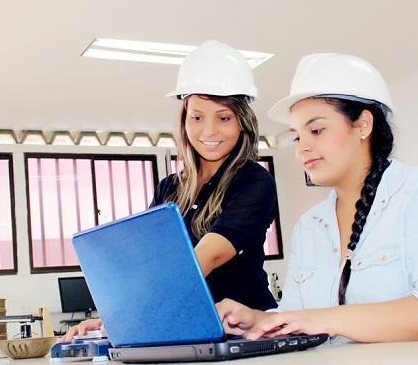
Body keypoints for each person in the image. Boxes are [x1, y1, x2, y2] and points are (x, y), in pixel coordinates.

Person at [217, 53, 418, 343]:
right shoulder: (309, 227)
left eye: (317, 130)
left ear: (363, 125)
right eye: (298, 136)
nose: (302, 148)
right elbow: (296, 314)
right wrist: (260, 321)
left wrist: (323, 319)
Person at [63, 40, 279, 341]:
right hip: (185, 327)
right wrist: (107, 320)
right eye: (197, 117)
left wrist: (124, 314)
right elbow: (152, 264)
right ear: (184, 120)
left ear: (242, 123)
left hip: (245, 331)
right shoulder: (169, 188)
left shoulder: (254, 182)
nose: (209, 131)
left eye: (224, 117)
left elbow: (209, 257)